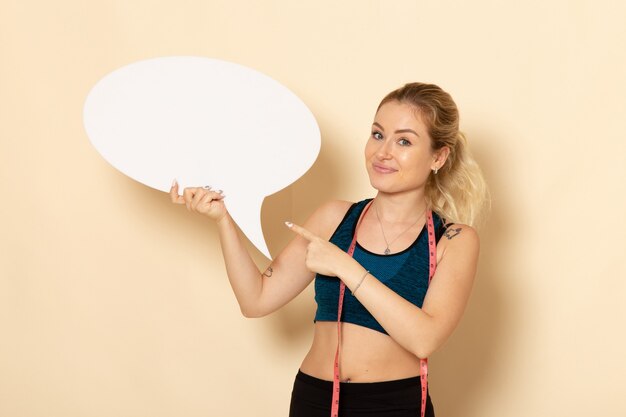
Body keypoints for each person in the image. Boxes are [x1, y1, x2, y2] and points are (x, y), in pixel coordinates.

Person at [170, 82, 488, 417]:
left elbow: (424, 338)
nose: (383, 152)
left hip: (393, 405)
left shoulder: (452, 239)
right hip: (315, 399)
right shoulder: (335, 218)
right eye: (378, 134)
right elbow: (256, 299)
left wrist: (345, 266)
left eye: (404, 141)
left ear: (438, 156)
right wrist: (223, 219)